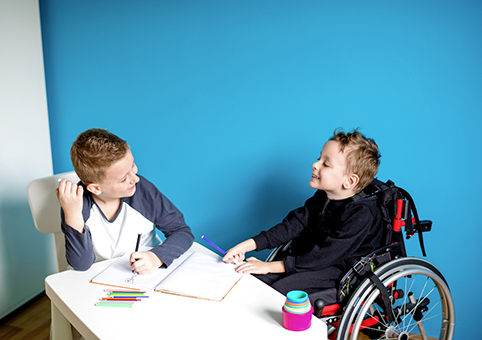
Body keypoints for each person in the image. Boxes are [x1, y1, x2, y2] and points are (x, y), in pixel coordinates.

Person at [223, 128, 383, 297]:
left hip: (341, 268)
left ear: (349, 181)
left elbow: (324, 256)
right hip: (312, 257)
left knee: (277, 293)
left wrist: (268, 266)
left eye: (325, 164)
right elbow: (293, 225)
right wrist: (247, 245)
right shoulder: (324, 196)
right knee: (253, 280)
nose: (315, 165)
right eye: (318, 159)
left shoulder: (362, 213)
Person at [56, 128, 194, 274]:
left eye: (133, 166)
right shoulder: (75, 204)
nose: (135, 178)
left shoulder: (142, 190)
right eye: (123, 179)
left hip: (148, 272)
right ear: (96, 189)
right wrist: (72, 214)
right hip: (99, 276)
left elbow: (181, 231)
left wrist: (157, 257)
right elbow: (81, 264)